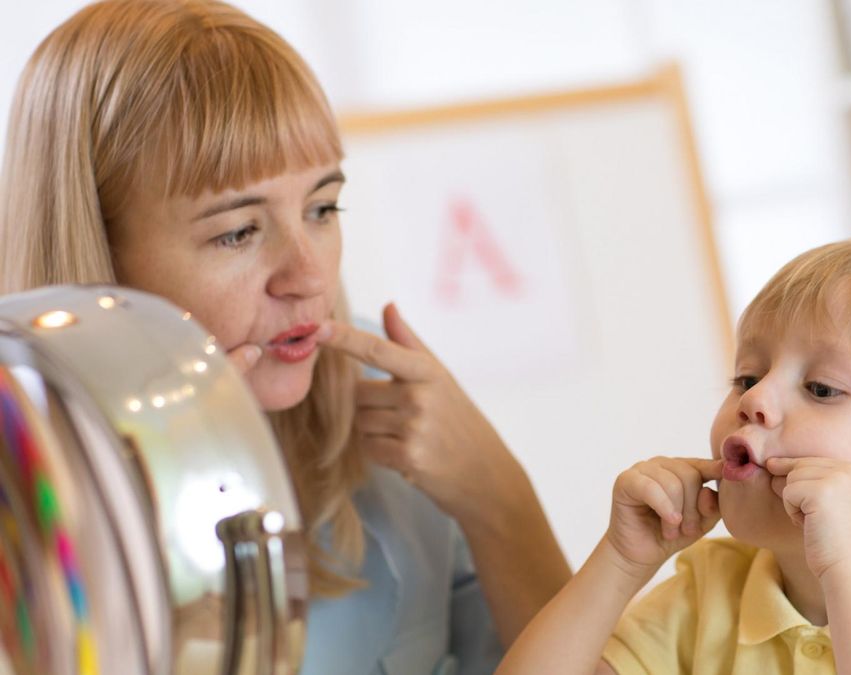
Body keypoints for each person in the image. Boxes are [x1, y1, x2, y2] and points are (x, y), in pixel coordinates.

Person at [0, 1, 570, 673]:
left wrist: (495, 492)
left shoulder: (389, 402)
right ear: (100, 255)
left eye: (322, 208)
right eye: (238, 231)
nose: (306, 276)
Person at [498, 236, 851, 674]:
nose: (754, 399)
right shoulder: (710, 588)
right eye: (746, 375)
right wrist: (621, 563)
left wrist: (848, 569)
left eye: (822, 389)